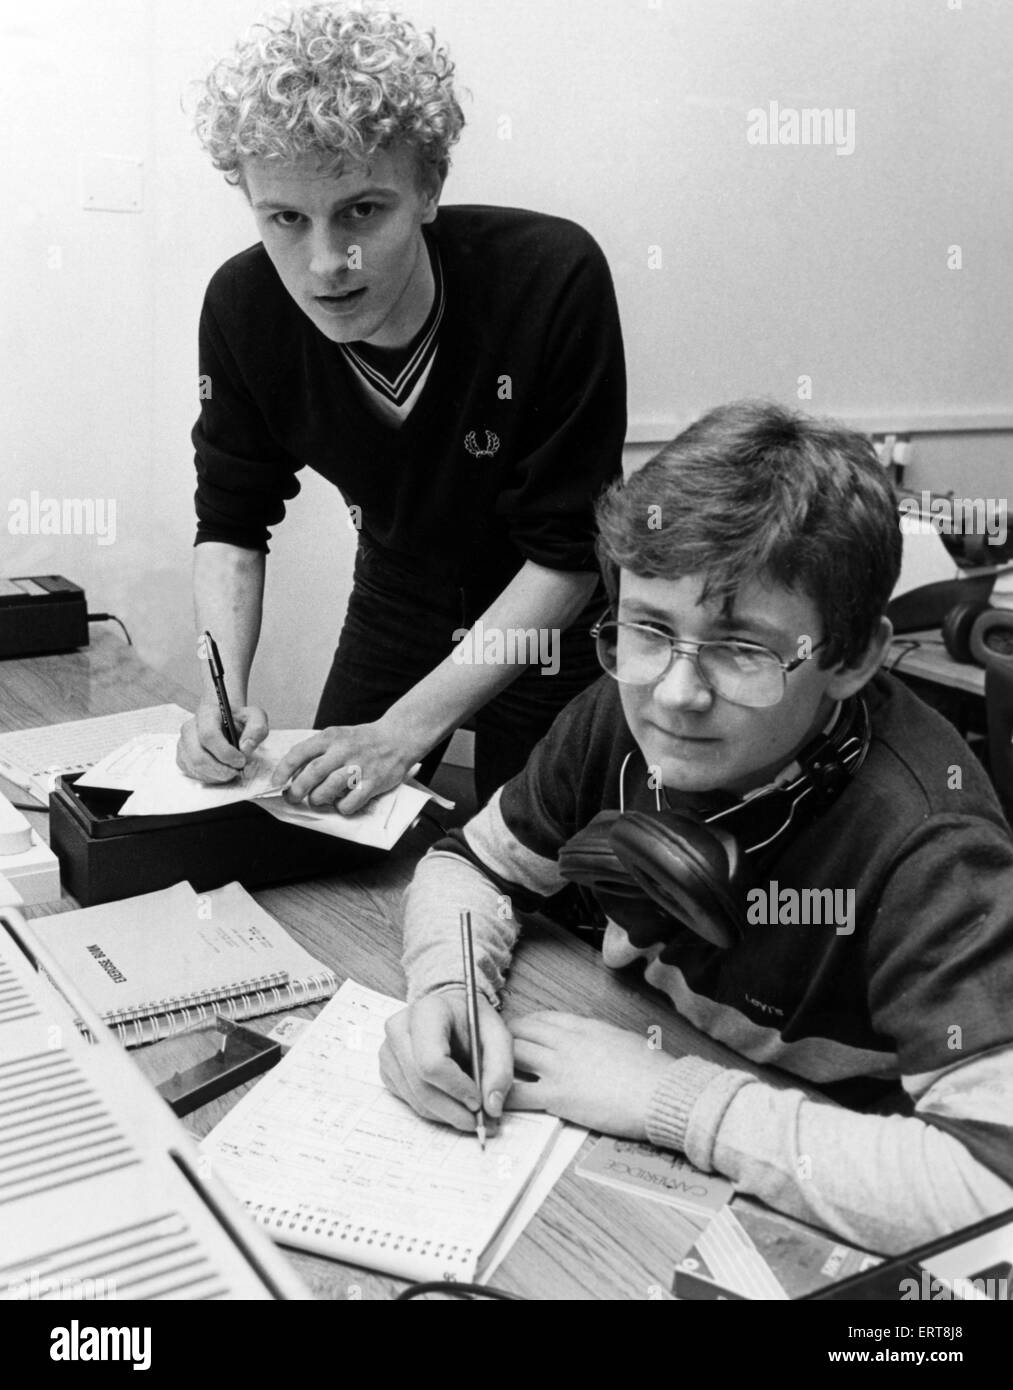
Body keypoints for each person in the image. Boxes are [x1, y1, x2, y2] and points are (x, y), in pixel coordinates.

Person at [380, 400, 1013, 1254]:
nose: (675, 695)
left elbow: (989, 1187)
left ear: (851, 658)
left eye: (743, 649)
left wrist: (669, 1100)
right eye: (648, 630)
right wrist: (449, 988)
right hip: (630, 1113)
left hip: (819, 1192)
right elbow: (476, 865)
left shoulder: (932, 847)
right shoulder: (618, 709)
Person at [178, 5, 626, 811]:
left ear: (428, 189)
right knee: (327, 830)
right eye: (286, 218)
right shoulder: (242, 308)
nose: (325, 265)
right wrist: (218, 690)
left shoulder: (550, 279)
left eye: (361, 211)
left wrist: (404, 732)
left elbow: (565, 552)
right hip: (399, 589)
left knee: (537, 869)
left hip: (551, 615)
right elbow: (232, 524)